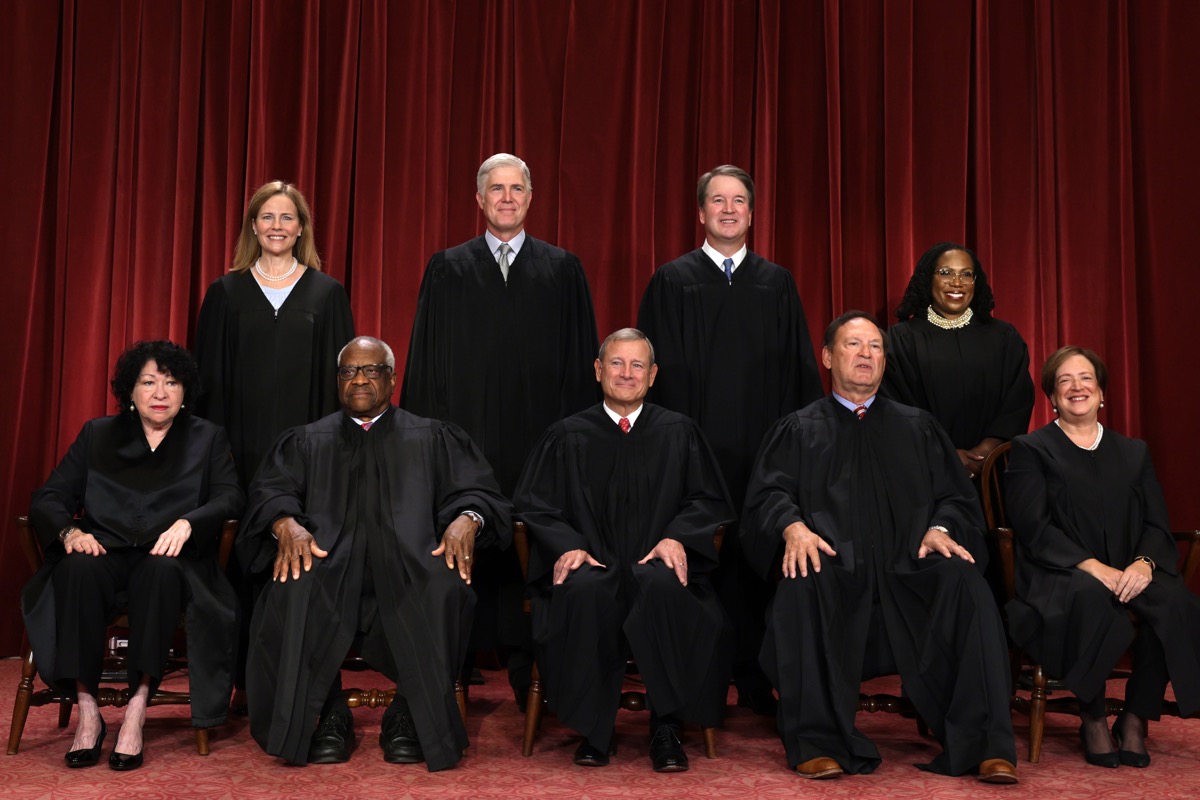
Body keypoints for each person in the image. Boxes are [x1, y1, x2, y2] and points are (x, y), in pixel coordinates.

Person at [742, 312, 1018, 784]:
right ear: (828, 357)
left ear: (885, 361)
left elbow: (956, 497)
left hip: (910, 568)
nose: (866, 354)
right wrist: (792, 528)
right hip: (834, 569)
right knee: (802, 579)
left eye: (875, 347)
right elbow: (768, 496)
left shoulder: (919, 427)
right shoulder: (798, 429)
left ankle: (984, 744)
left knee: (965, 583)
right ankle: (817, 741)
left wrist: (942, 527)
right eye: (854, 344)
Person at [239, 336, 511, 770]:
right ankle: (326, 713)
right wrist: (284, 523)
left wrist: (469, 518)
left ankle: (408, 714)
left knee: (445, 588)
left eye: (371, 370)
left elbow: (478, 491)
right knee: (291, 587)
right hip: (328, 561)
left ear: (393, 378)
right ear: (338, 381)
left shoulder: (433, 437)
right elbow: (270, 493)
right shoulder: (307, 441)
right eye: (349, 371)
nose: (360, 379)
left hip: (411, 563)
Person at [401, 153, 599, 703]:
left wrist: (570, 446)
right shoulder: (447, 268)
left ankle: (531, 666)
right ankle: (456, 666)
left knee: (533, 549)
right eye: (496, 189)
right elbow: (425, 366)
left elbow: (580, 367)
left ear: (531, 198)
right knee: (462, 546)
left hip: (541, 444)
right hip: (466, 445)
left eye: (517, 189)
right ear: (480, 200)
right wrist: (431, 444)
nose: (507, 198)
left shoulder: (563, 269)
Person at [637, 164, 823, 713]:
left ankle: (758, 675)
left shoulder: (777, 283)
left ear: (751, 212)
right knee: (698, 561)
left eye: (738, 200)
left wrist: (796, 452)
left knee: (756, 559)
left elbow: (798, 374)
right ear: (700, 212)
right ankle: (699, 681)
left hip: (762, 455)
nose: (727, 209)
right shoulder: (672, 281)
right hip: (694, 454)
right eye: (717, 200)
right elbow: (652, 376)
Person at [513, 328, 735, 772]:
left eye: (637, 365)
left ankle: (667, 726)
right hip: (594, 564)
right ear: (598, 371)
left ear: (653, 376)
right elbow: (534, 506)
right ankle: (595, 730)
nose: (626, 373)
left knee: (663, 587)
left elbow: (710, 501)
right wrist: (568, 546)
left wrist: (677, 538)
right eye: (616, 363)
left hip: (656, 563)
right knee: (585, 592)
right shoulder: (566, 435)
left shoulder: (679, 432)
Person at [23, 341, 243, 771]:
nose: (160, 393)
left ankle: (137, 709)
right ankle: (89, 711)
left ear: (184, 391)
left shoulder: (206, 437)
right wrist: (69, 530)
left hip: (168, 555)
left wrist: (190, 522)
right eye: (148, 382)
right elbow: (48, 497)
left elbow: (231, 496)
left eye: (171, 382)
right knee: (76, 569)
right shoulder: (97, 434)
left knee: (160, 573)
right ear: (131, 390)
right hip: (105, 549)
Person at [192, 179, 355, 708]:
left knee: (301, 563)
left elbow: (343, 386)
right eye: (268, 218)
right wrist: (215, 456)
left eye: (287, 218)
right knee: (239, 564)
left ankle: (298, 684)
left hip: (306, 459)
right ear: (253, 227)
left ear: (301, 227)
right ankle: (239, 683)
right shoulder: (225, 292)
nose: (278, 227)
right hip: (237, 454)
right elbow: (206, 382)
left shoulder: (327, 293)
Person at [1005, 346, 1200, 769]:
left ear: (1101, 392)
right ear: (1053, 397)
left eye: (1086, 378)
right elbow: (1033, 526)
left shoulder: (1134, 453)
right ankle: (1092, 716)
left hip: (1129, 566)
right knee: (1089, 599)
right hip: (1061, 569)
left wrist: (1144, 564)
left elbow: (1155, 523)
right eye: (1065, 381)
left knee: (1176, 605)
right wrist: (1093, 567)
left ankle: (1134, 717)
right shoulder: (1031, 448)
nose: (1077, 387)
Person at [881, 242, 1034, 480]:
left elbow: (1017, 400)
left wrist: (985, 452)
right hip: (924, 470)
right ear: (927, 279)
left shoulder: (1004, 337)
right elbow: (896, 406)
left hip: (991, 473)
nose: (957, 282)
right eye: (945, 273)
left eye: (966, 274)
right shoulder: (901, 339)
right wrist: (946, 454)